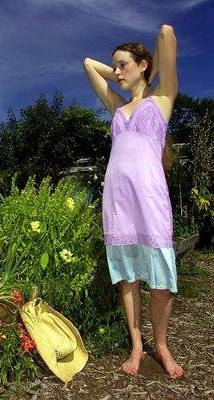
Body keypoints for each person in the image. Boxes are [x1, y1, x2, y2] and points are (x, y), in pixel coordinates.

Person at [83, 24, 184, 379]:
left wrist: (145, 71)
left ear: (143, 64)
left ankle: (162, 345)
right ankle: (137, 346)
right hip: (118, 204)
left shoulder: (162, 99)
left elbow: (167, 34)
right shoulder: (116, 108)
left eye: (124, 65)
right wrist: (121, 73)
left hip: (151, 200)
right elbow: (87, 64)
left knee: (160, 281)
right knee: (128, 279)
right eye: (116, 67)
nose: (117, 72)